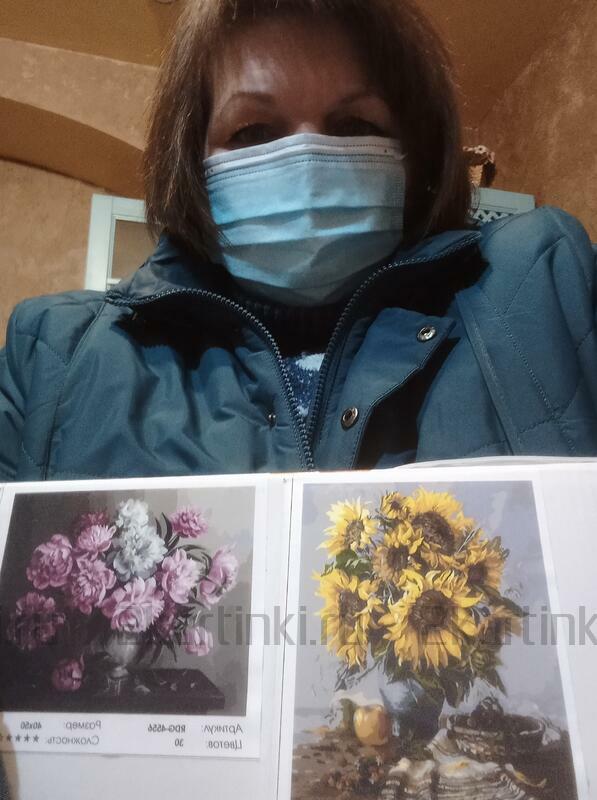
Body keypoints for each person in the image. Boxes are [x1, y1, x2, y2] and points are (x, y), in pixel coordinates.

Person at [1, 0, 597, 485]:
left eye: (354, 125)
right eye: (253, 131)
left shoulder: (543, 284)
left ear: (414, 158)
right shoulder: (49, 356)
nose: (308, 161)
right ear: (192, 163)